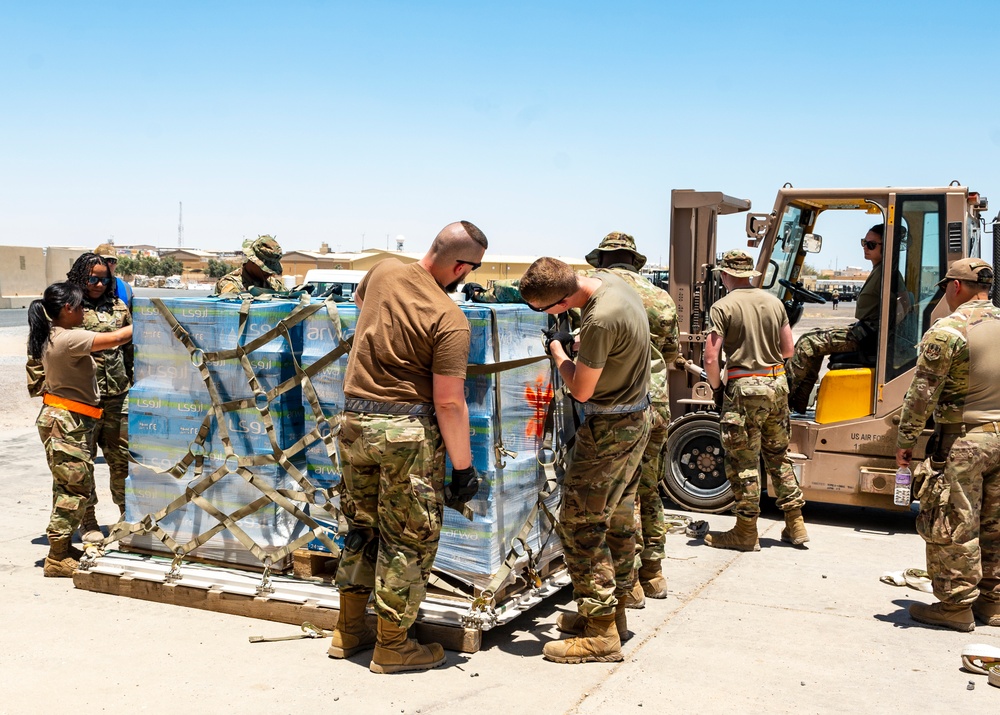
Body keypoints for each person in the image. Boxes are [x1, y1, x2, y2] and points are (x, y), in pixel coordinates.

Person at [329, 221, 487, 674]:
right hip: (405, 433)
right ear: (460, 265)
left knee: (361, 526)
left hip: (354, 423)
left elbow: (362, 305)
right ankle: (394, 645)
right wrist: (463, 470)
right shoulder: (449, 318)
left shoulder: (382, 272)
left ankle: (350, 629)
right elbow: (450, 402)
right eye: (469, 270)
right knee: (407, 541)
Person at [519, 256, 651, 665]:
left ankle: (601, 635)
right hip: (634, 417)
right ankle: (614, 613)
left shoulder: (599, 321)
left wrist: (560, 352)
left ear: (558, 303)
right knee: (615, 518)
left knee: (581, 526)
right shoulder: (610, 284)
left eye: (543, 310)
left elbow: (580, 389)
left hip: (610, 429)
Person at [896, 257, 1000, 632]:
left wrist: (906, 442)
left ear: (955, 287)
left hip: (965, 442)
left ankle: (955, 606)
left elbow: (920, 395)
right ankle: (993, 603)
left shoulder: (950, 330)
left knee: (955, 522)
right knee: (994, 523)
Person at [585, 231, 679, 602]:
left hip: (618, 406)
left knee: (618, 498)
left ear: (603, 260)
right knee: (649, 488)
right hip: (656, 403)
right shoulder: (661, 297)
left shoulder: (600, 292)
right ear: (634, 259)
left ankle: (627, 582)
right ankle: (653, 572)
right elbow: (670, 355)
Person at [703, 250, 807, 551]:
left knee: (744, 460)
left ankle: (746, 531)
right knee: (778, 456)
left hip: (744, 388)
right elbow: (788, 349)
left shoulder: (722, 306)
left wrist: (717, 388)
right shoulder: (774, 302)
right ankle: (796, 524)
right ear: (750, 274)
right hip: (777, 385)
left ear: (724, 275)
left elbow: (711, 357)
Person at [28, 282, 133, 577]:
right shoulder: (68, 338)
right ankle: (57, 556)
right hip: (66, 422)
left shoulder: (53, 334)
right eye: (80, 306)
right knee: (74, 489)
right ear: (67, 310)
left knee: (69, 485)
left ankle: (62, 547)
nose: (85, 311)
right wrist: (155, 319)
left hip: (67, 419)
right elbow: (116, 338)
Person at [787, 224, 903, 413]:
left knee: (807, 342)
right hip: (866, 331)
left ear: (886, 246)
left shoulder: (886, 274)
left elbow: (900, 305)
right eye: (864, 243)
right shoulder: (880, 270)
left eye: (871, 245)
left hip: (868, 336)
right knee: (813, 341)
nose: (865, 247)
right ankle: (799, 402)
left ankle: (782, 401)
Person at [215, 235, 286, 295]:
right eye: (266, 269)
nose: (270, 274)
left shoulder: (274, 284)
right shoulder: (230, 283)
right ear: (253, 261)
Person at [94, 243, 133, 309]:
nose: (109, 264)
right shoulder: (85, 285)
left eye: (112, 261)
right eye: (105, 260)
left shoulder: (126, 288)